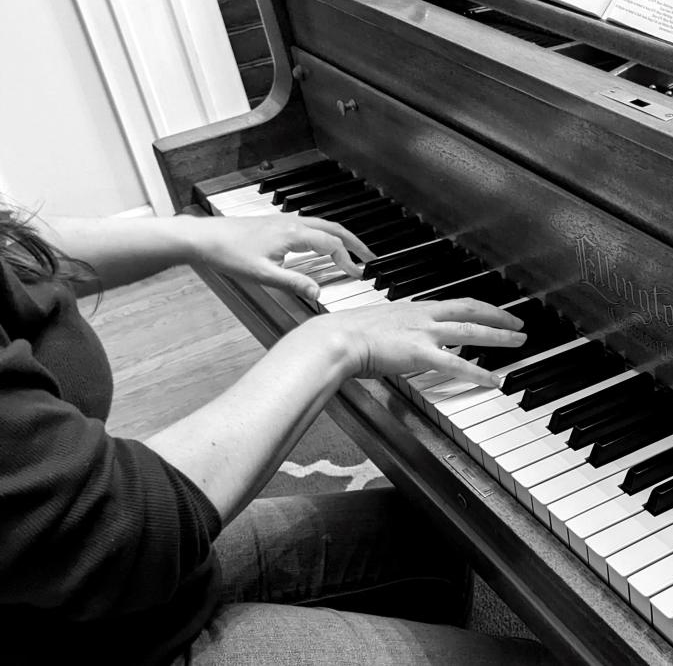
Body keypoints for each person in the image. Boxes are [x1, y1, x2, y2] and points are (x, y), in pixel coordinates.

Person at [0, 208, 558, 665]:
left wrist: (191, 232)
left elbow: (16, 253)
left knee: (436, 536)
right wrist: (337, 342)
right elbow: (123, 527)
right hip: (86, 626)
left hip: (60, 593)